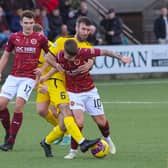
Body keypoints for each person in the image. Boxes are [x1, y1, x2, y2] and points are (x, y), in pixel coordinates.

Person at [43, 16, 119, 160]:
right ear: (77, 27)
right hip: (68, 88)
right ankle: (73, 150)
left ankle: (107, 139)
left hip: (88, 90)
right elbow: (50, 58)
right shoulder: (62, 42)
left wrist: (90, 64)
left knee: (99, 121)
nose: (85, 32)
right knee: (75, 121)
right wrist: (52, 70)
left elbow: (94, 58)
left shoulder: (87, 48)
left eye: (87, 30)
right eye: (83, 28)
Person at [0, 10, 49, 151]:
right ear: (21, 23)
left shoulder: (40, 39)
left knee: (18, 106)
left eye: (31, 23)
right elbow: (6, 56)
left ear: (35, 23)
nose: (28, 26)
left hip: (28, 78)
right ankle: (8, 132)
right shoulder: (14, 37)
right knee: (1, 105)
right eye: (26, 23)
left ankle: (11, 141)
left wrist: (42, 68)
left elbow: (50, 56)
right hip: (13, 76)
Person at [34, 23, 70, 146]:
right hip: (42, 83)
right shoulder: (32, 50)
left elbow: (60, 66)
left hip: (55, 81)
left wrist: (48, 86)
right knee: (41, 110)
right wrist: (37, 83)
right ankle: (60, 130)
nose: (41, 38)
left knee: (57, 110)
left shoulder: (51, 47)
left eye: (41, 34)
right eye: (37, 36)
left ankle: (67, 134)